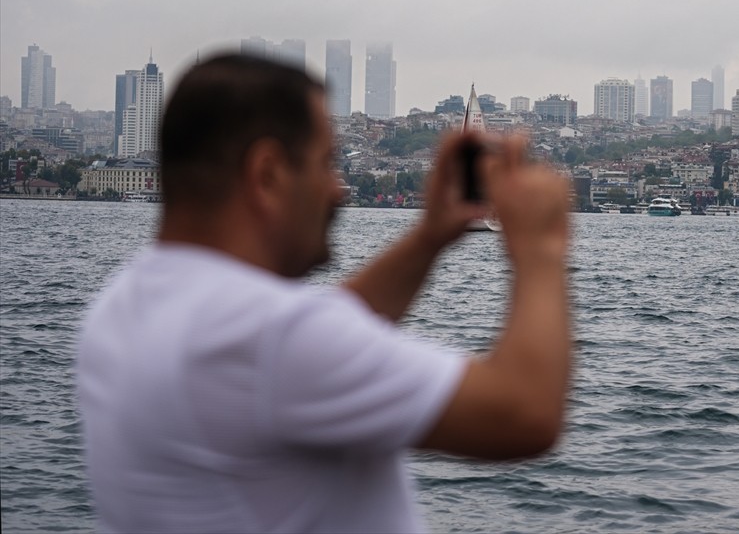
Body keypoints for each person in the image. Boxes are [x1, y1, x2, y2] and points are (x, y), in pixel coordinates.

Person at [76, 55, 573, 534]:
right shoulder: (268, 341)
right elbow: (524, 414)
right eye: (325, 163)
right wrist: (540, 247)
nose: (338, 189)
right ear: (268, 173)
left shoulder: (125, 306)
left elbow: (322, 332)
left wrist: (430, 237)